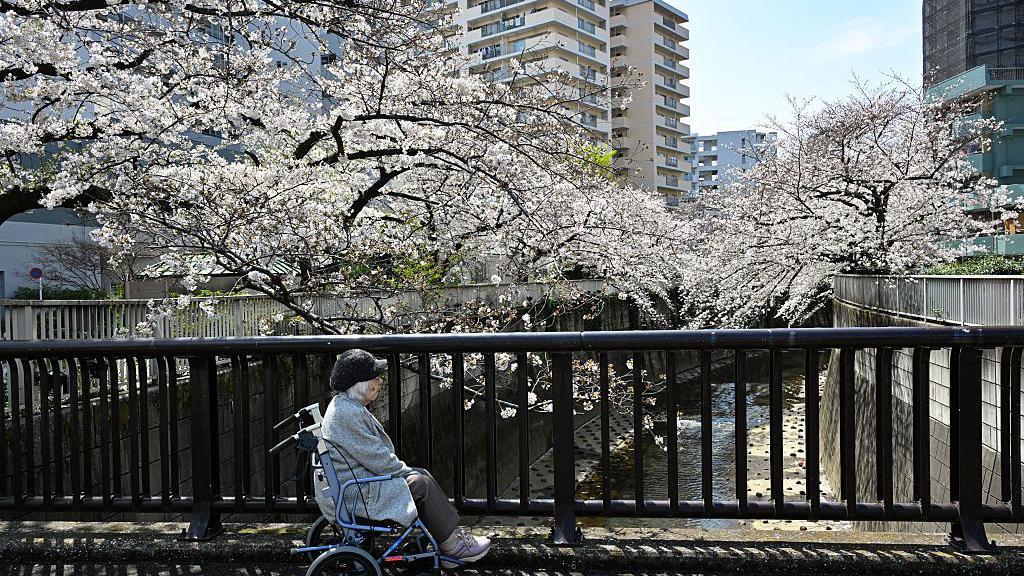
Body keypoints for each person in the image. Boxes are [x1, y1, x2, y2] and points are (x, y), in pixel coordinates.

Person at [312, 349, 491, 567]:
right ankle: (453, 546)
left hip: (354, 487)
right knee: (421, 484)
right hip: (358, 494)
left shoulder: (343, 406)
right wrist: (407, 472)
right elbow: (377, 459)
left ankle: (447, 537)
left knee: (420, 476)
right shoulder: (348, 414)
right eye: (375, 377)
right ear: (359, 384)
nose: (380, 381)